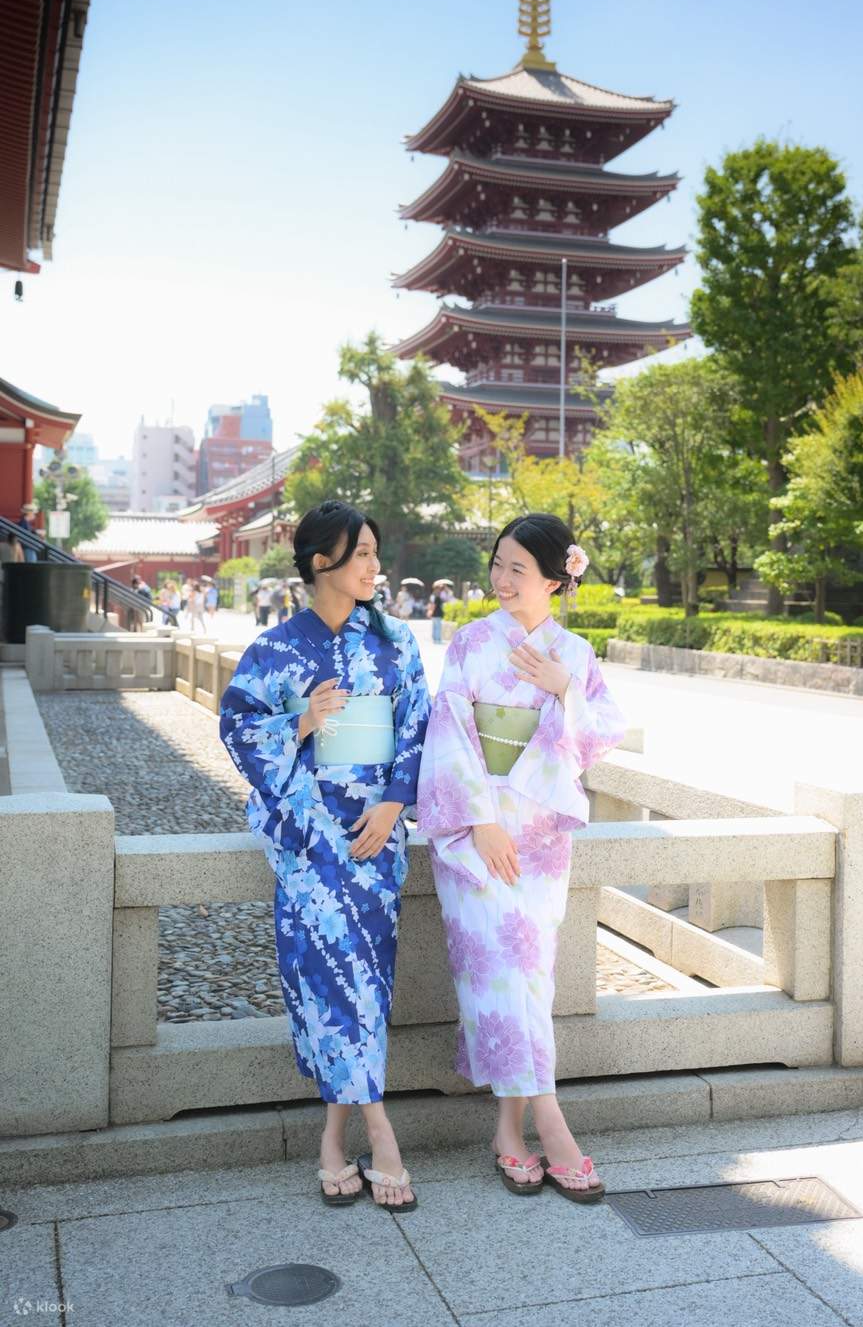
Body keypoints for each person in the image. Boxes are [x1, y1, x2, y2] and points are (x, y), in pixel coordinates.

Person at [219, 500, 430, 1210]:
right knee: (329, 984)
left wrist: (394, 804)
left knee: (363, 984)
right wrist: (302, 719)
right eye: (361, 553)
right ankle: (381, 1132)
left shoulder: (395, 642)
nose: (375, 566)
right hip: (310, 843)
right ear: (320, 563)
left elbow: (417, 727)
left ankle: (334, 1141)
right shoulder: (275, 649)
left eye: (374, 552)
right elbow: (238, 726)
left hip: (374, 838)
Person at [417, 514, 625, 1203]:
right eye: (498, 564)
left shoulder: (575, 653)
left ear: (554, 579)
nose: (502, 580)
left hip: (539, 840)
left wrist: (566, 689)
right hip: (477, 838)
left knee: (529, 980)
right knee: (498, 977)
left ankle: (508, 1133)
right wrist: (480, 820)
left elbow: (599, 736)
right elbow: (448, 729)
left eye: (518, 569)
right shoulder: (471, 643)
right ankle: (552, 1125)